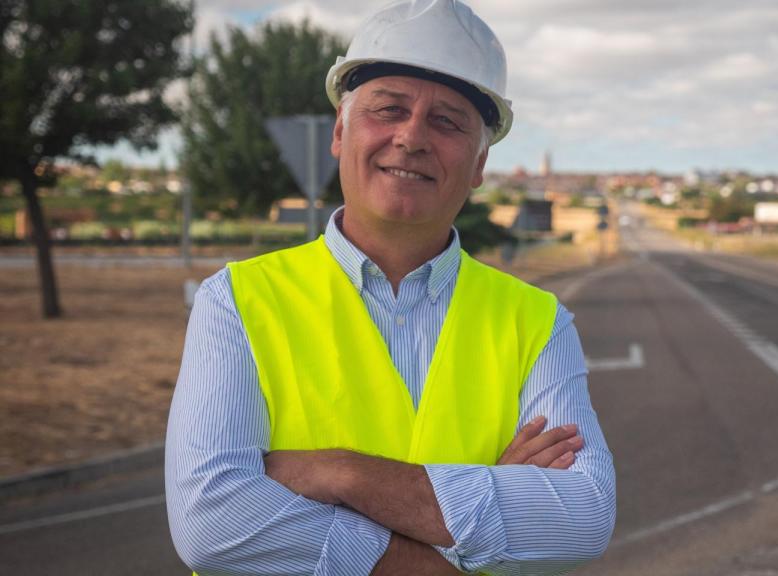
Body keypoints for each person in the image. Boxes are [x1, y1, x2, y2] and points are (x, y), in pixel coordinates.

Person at [164, 1, 616, 574]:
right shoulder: (237, 301)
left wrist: (341, 474)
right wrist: (457, 540)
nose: (411, 137)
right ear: (339, 132)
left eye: (447, 121)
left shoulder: (538, 322)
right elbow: (214, 521)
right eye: (389, 109)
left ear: (479, 163)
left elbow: (583, 516)